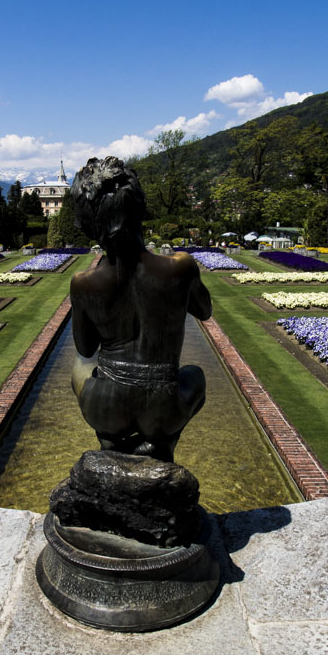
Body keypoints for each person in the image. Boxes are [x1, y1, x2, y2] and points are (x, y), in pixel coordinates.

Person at [69, 157, 211, 463]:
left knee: (78, 370)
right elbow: (204, 310)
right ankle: (161, 444)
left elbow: (85, 348)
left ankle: (109, 441)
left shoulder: (83, 283)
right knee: (195, 376)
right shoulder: (181, 266)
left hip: (106, 408)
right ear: (139, 209)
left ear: (90, 223)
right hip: (164, 409)